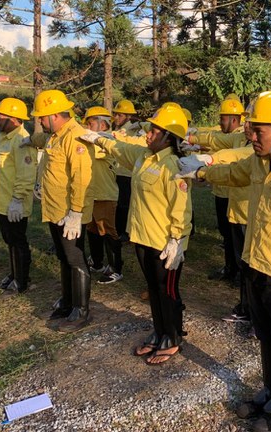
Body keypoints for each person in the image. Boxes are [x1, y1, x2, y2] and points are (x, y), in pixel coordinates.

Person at [177, 91, 271, 432]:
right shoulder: (259, 162)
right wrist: (200, 172)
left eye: (258, 130)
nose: (251, 135)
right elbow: (232, 174)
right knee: (265, 334)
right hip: (256, 264)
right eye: (251, 129)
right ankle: (270, 390)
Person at [82, 105, 192, 365]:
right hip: (142, 237)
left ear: (169, 137)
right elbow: (119, 149)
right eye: (150, 129)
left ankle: (173, 337)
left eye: (155, 131)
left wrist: (177, 240)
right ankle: (160, 331)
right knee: (154, 290)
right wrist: (99, 138)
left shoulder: (174, 165)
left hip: (165, 243)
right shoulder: (143, 156)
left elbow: (182, 208)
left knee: (168, 292)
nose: (149, 135)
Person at [32, 89, 95, 332]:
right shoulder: (55, 136)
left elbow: (81, 178)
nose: (39, 121)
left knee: (75, 258)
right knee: (63, 257)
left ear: (55, 115)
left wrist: (76, 213)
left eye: (42, 117)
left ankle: (81, 310)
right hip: (55, 209)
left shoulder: (75, 136)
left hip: (70, 213)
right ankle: (69, 302)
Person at [0, 98, 36, 293]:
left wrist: (18, 199)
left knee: (18, 241)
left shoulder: (21, 141)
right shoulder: (4, 138)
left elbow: (26, 173)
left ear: (13, 119)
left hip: (14, 203)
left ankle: (22, 280)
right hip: (3, 203)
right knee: (9, 240)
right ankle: (14, 274)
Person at [186, 96, 246, 283]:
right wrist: (191, 138)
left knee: (240, 239)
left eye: (223, 118)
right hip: (224, 193)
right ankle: (230, 268)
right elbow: (214, 138)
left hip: (240, 197)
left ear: (234, 119)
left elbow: (235, 155)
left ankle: (241, 273)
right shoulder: (238, 137)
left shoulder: (248, 140)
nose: (220, 122)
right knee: (227, 235)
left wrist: (211, 159)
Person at [82, 106, 124, 284]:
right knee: (92, 229)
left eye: (90, 124)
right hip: (91, 194)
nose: (87, 128)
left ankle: (116, 268)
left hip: (105, 194)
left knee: (108, 231)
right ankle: (97, 262)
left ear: (102, 123)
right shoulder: (94, 140)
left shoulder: (108, 141)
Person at [111, 99, 141, 243]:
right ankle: (119, 229)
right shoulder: (117, 129)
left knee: (125, 203)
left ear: (129, 116)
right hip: (118, 170)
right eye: (116, 114)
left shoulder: (133, 130)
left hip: (127, 172)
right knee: (119, 202)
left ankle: (125, 232)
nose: (116, 118)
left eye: (120, 115)